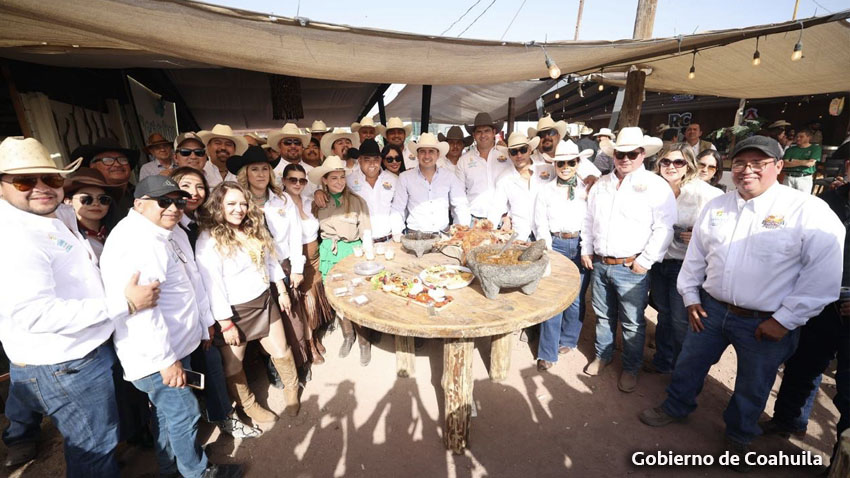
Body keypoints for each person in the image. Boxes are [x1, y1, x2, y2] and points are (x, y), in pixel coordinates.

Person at [638, 136, 845, 472]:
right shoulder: (718, 206)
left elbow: (823, 275)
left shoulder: (807, 209)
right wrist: (690, 297)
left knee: (754, 383)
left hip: (766, 320)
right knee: (689, 363)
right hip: (712, 308)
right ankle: (675, 407)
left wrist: (786, 320)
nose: (747, 170)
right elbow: (696, 257)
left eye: (758, 163)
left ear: (778, 167)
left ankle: (739, 436)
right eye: (740, 163)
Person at [0, 137, 158, 475]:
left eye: (51, 179)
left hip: (78, 355)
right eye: (25, 181)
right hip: (67, 362)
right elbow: (36, 314)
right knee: (93, 450)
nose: (41, 188)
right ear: (2, 187)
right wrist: (125, 303)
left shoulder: (49, 217)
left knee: (100, 442)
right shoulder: (14, 239)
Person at [100, 175, 243, 478]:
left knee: (166, 416)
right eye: (163, 201)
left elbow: (191, 280)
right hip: (158, 356)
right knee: (184, 413)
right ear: (138, 204)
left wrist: (203, 327)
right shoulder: (138, 242)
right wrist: (166, 362)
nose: (173, 208)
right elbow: (143, 312)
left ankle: (171, 469)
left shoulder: (166, 230)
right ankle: (197, 472)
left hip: (179, 344)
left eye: (178, 201)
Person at [759, 156, 850, 475]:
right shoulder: (827, 200)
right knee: (803, 366)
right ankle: (787, 420)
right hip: (822, 300)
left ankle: (840, 465)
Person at [580, 127, 677, 393]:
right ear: (614, 155)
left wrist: (645, 261)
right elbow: (588, 221)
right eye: (621, 153)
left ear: (642, 154)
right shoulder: (601, 185)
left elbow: (664, 228)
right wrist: (586, 249)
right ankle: (603, 355)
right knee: (602, 315)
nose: (625, 158)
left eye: (631, 153)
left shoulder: (657, 186)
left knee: (633, 322)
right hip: (601, 262)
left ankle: (631, 367)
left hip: (631, 265)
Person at [195, 182, 301, 422]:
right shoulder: (207, 240)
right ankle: (249, 405)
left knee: (281, 351)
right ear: (218, 206)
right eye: (231, 204)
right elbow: (211, 285)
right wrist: (226, 323)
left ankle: (292, 388)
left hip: (264, 300)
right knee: (233, 366)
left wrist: (281, 290)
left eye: (243, 203)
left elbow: (270, 261)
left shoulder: (253, 227)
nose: (239, 209)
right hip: (234, 311)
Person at [169, 167, 262, 440]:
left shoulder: (197, 221)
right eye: (187, 186)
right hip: (186, 314)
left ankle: (221, 415)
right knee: (202, 371)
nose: (194, 193)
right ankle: (217, 420)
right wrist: (218, 320)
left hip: (201, 311)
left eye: (200, 187)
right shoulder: (172, 225)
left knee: (210, 366)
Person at [229, 146, 312, 380]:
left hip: (284, 266)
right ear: (245, 173)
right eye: (254, 169)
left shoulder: (282, 200)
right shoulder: (239, 203)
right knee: (265, 324)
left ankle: (299, 362)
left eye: (264, 168)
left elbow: (296, 235)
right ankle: (274, 368)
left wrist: (297, 268)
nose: (260, 174)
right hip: (254, 273)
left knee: (291, 316)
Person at [644, 144, 722, 375]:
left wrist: (699, 233)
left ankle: (682, 372)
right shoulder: (653, 188)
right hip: (659, 262)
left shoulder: (705, 193)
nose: (671, 167)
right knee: (664, 314)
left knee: (680, 320)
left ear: (688, 165)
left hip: (686, 266)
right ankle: (663, 361)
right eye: (666, 162)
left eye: (678, 162)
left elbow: (722, 228)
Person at [534, 140, 594, 371]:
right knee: (553, 297)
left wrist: (587, 248)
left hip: (579, 243)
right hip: (556, 243)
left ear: (578, 163)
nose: (566, 167)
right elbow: (540, 222)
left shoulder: (588, 188)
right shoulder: (546, 190)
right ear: (555, 164)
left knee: (577, 296)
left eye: (571, 162)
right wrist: (547, 248)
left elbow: (590, 221)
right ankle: (547, 352)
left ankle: (569, 338)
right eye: (561, 163)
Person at [310, 156, 375, 365]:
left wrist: (368, 257)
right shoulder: (318, 202)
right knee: (337, 299)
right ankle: (348, 336)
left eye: (342, 177)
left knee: (356, 297)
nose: (339, 182)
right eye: (333, 178)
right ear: (325, 181)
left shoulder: (356, 201)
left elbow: (366, 232)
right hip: (330, 251)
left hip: (351, 251)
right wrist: (316, 194)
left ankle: (364, 342)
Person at [282, 163, 332, 363]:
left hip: (314, 255)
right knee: (303, 302)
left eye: (302, 180)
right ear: (284, 181)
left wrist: (319, 190)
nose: (298, 183)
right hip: (295, 258)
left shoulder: (308, 199)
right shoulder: (280, 204)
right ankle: (308, 343)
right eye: (292, 179)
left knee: (315, 297)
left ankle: (314, 335)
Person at [391, 133, 471, 235]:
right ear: (417, 155)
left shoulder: (449, 177)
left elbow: (460, 204)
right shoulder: (405, 177)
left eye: (431, 151)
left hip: (443, 235)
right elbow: (397, 208)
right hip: (415, 237)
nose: (427, 156)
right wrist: (397, 234)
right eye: (423, 151)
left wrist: (460, 230)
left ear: (437, 155)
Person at [488, 132, 552, 241]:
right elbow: (496, 207)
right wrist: (487, 233)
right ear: (509, 154)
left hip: (547, 235)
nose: (519, 155)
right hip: (520, 237)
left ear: (530, 150)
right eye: (514, 151)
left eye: (523, 150)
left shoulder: (547, 170)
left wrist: (590, 178)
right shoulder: (504, 178)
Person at [456, 113, 511, 224]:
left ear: (494, 132)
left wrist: (509, 216)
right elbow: (458, 195)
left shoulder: (507, 156)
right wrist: (464, 222)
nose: (483, 135)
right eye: (479, 132)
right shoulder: (464, 160)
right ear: (474, 135)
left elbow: (515, 189)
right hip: (474, 221)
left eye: (487, 131)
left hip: (502, 220)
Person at [73, 137, 140, 223]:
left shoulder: (141, 194)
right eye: (108, 160)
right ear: (92, 166)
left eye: (123, 160)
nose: (117, 164)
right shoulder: (86, 199)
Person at [62, 168, 122, 260]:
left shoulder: (120, 232)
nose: (96, 203)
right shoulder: (64, 235)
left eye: (103, 199)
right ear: (68, 202)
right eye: (86, 199)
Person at [528, 116, 601, 185]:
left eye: (551, 132)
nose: (547, 137)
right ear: (537, 139)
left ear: (558, 136)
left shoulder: (570, 155)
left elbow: (595, 175)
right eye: (542, 134)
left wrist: (591, 176)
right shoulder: (529, 162)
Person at [782, 128, 823, 194]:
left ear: (809, 137)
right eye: (797, 137)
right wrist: (804, 162)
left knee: (803, 200)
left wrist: (793, 161)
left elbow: (810, 164)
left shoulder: (815, 148)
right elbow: (785, 164)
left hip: (804, 178)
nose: (798, 138)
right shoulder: (790, 149)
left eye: (801, 137)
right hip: (788, 177)